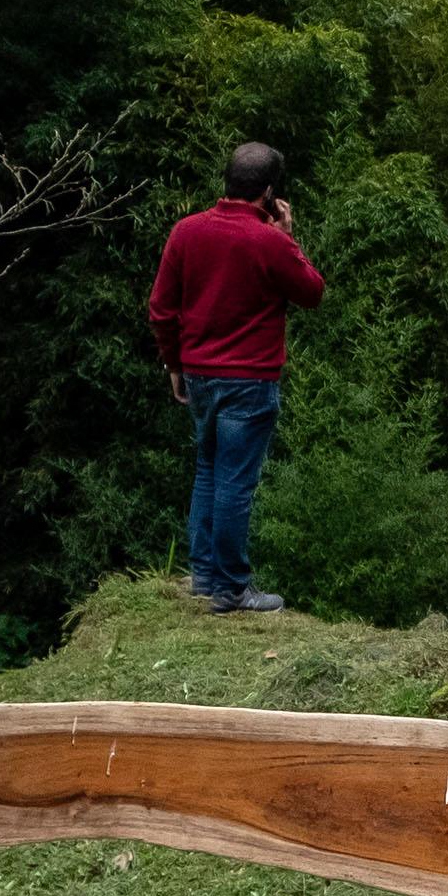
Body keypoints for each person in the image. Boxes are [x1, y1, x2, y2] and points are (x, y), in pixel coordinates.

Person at [144, 141, 326, 613]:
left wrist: (174, 365)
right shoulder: (268, 240)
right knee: (234, 482)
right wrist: (288, 236)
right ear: (269, 193)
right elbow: (312, 292)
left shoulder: (187, 231)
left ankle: (205, 577)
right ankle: (231, 588)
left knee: (207, 470)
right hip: (250, 378)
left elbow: (161, 309)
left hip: (200, 373)